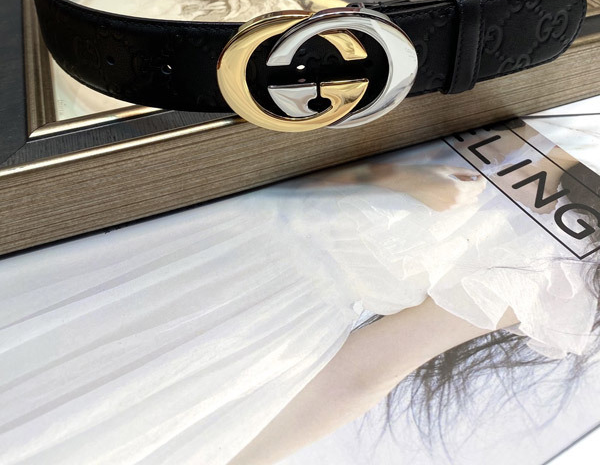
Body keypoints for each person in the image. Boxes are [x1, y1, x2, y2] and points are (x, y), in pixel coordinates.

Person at [0, 140, 597, 464]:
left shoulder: (564, 256)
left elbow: (365, 372)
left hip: (246, 317)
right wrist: (387, 177)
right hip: (169, 218)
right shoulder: (533, 72)